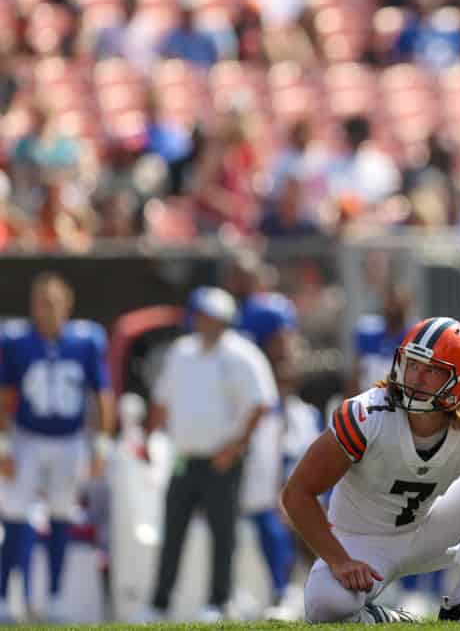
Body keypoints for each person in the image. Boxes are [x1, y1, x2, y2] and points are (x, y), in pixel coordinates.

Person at [280, 317, 460, 623]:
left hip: (430, 529)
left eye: (432, 370)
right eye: (412, 363)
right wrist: (339, 560)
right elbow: (296, 493)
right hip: (361, 542)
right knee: (326, 606)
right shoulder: (366, 417)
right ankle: (390, 618)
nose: (416, 377)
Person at [141, 287, 277, 622]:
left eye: (211, 317)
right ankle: (159, 603)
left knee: (223, 533)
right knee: (173, 531)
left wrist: (234, 449)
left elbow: (260, 404)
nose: (205, 323)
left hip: (222, 461)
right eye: (201, 316)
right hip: (184, 457)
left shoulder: (243, 355)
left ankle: (219, 601)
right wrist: (149, 436)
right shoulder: (181, 352)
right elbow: (162, 399)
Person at [0, 273, 115, 624]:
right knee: (16, 515)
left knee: (61, 516)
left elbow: (103, 393)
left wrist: (101, 442)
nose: (46, 309)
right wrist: (3, 444)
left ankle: (54, 597)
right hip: (27, 438)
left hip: (69, 440)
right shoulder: (16, 340)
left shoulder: (86, 340)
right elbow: (4, 395)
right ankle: (6, 597)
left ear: (68, 303)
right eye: (40, 302)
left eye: (52, 301)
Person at [223, 252, 303, 616]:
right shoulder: (224, 313)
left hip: (262, 417)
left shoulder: (267, 311)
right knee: (232, 510)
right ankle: (236, 591)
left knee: (263, 506)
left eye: (240, 275)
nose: (234, 281)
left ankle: (283, 589)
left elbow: (285, 356)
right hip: (230, 417)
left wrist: (280, 408)